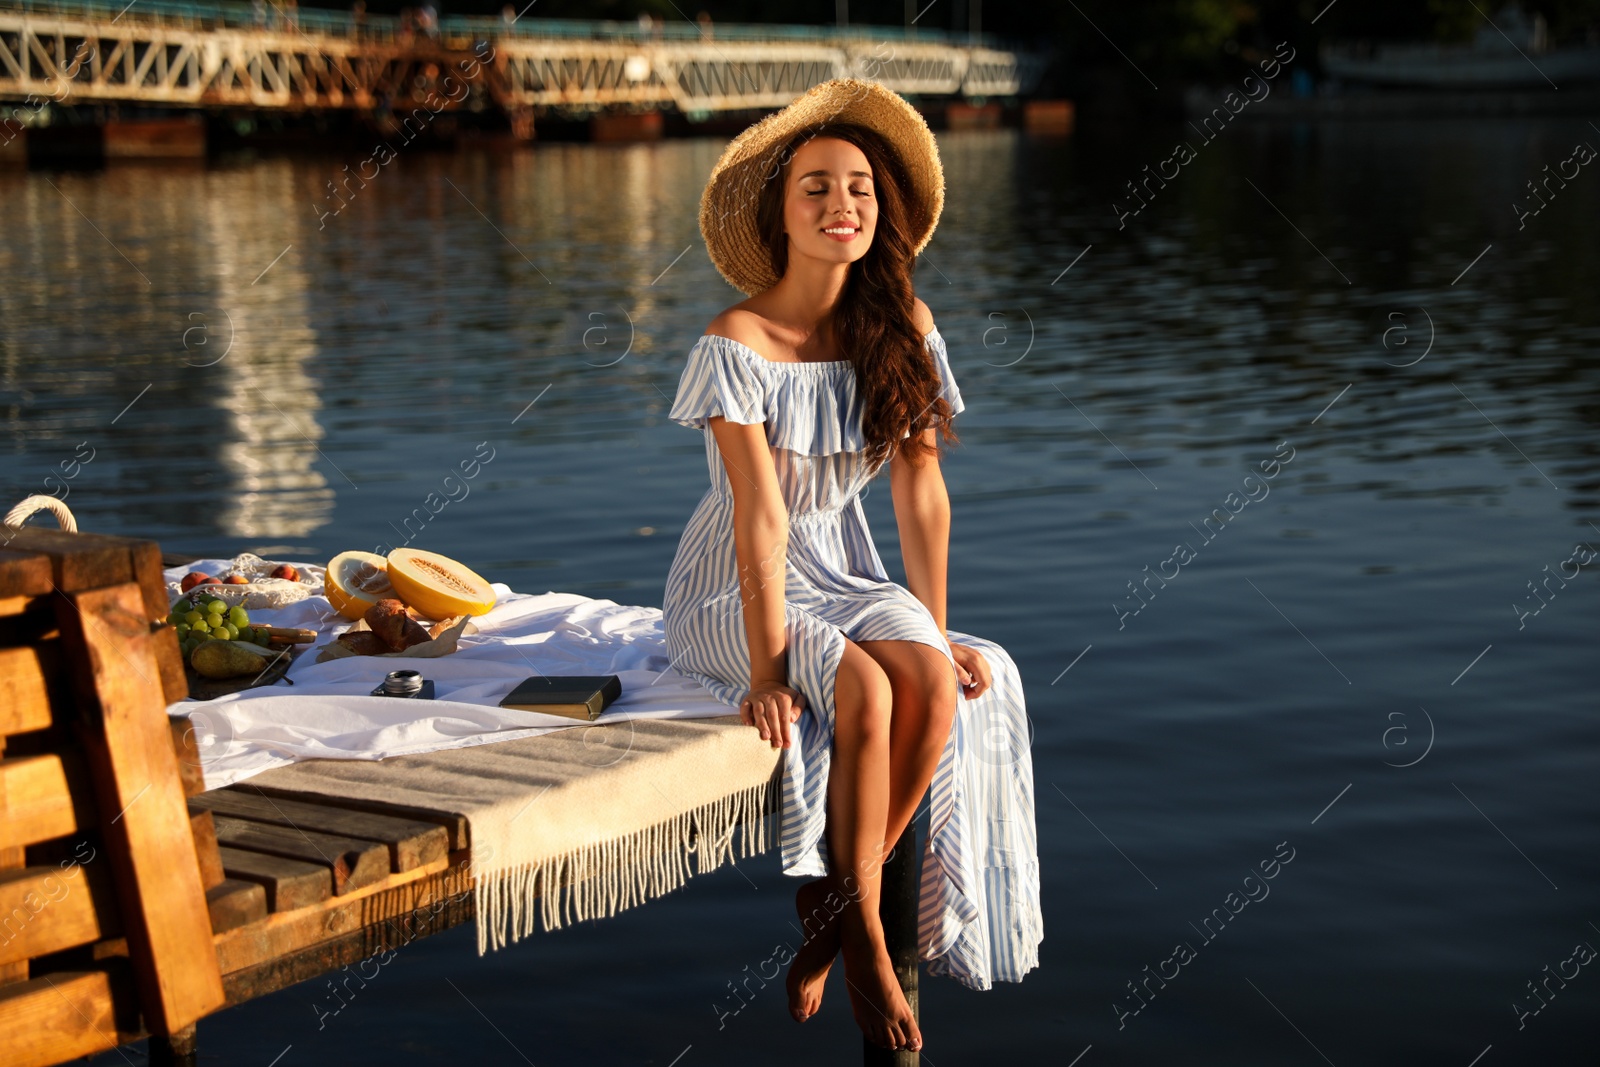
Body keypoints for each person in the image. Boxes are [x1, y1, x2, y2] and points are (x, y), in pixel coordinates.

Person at [663, 79, 1041, 1053]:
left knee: (929, 681)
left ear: (885, 210)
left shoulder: (903, 325)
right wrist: (762, 669)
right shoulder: (733, 341)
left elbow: (920, 489)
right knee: (863, 695)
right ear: (779, 216)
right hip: (730, 579)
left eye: (862, 187)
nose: (844, 204)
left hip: (844, 561)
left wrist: (937, 621)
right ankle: (866, 935)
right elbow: (754, 518)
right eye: (817, 188)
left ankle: (830, 918)